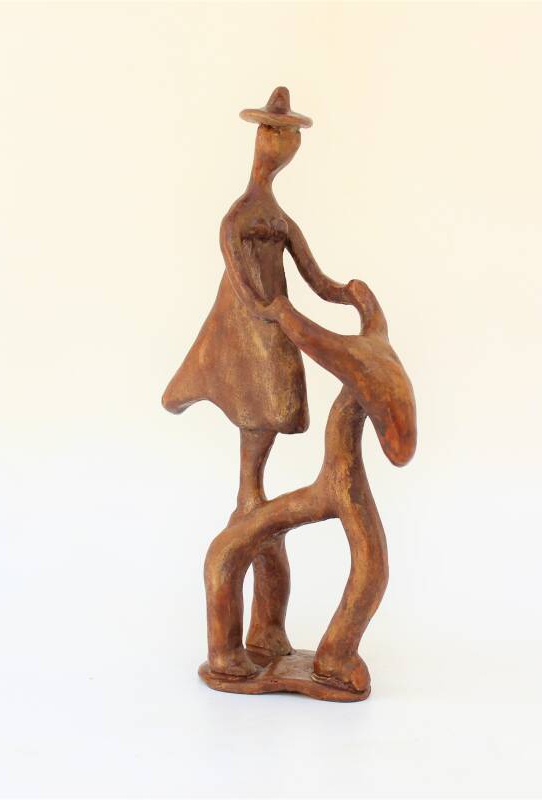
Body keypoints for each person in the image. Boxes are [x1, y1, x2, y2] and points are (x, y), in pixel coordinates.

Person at [162, 87, 353, 659]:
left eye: (289, 137)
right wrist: (269, 309)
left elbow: (316, 277)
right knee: (256, 412)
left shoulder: (280, 219)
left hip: (275, 330)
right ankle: (250, 497)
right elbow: (241, 281)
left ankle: (266, 628)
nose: (282, 145)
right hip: (249, 335)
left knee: (270, 419)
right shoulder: (239, 217)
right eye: (274, 134)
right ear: (259, 142)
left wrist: (348, 294)